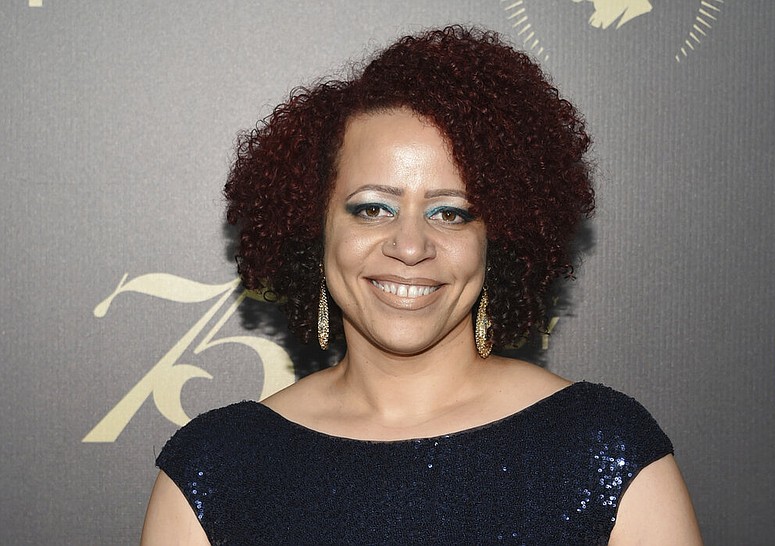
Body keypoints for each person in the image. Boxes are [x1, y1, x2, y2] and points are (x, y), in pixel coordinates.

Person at [141, 26, 701, 545]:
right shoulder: (214, 469)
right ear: (315, 229)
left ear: (499, 236)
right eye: (372, 208)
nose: (410, 246)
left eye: (451, 213)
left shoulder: (605, 448)